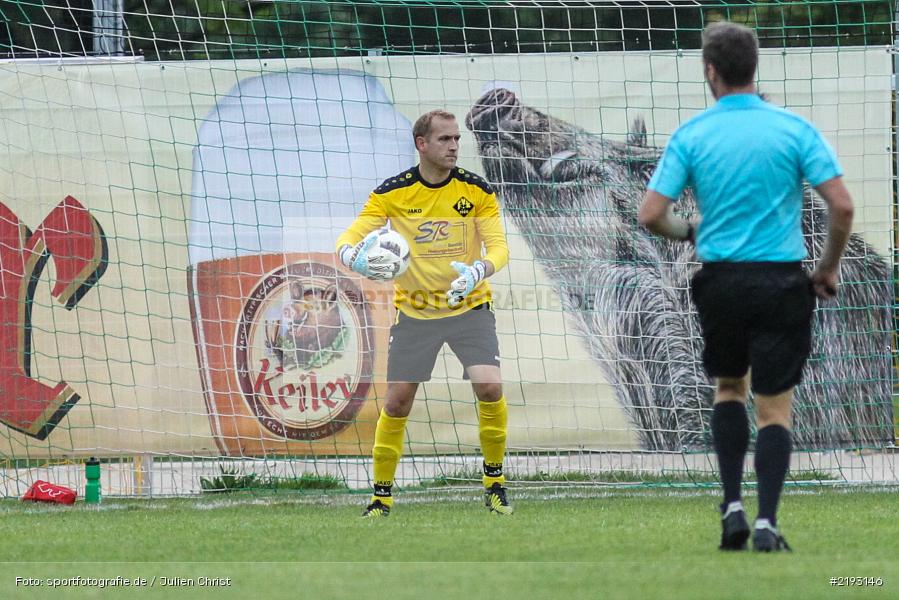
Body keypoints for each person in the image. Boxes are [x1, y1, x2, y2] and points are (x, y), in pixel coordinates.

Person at [637, 21, 854, 552]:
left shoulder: (692, 134)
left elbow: (650, 216)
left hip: (721, 283)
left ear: (709, 70)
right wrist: (825, 269)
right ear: (755, 68)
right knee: (774, 407)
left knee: (728, 389)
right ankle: (767, 523)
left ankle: (732, 505)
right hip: (781, 281)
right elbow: (842, 206)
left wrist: (692, 231)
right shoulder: (793, 130)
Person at [336, 109, 512, 518]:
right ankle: (381, 498)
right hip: (414, 314)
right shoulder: (393, 193)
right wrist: (350, 255)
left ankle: (495, 484)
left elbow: (499, 247)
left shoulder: (476, 190)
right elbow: (352, 235)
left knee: (490, 387)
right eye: (445, 139)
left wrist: (479, 271)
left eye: (456, 139)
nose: (453, 146)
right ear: (422, 144)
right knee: (397, 402)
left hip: (469, 306)